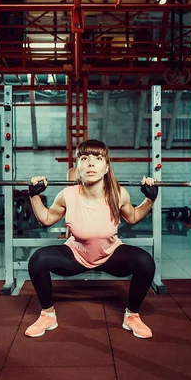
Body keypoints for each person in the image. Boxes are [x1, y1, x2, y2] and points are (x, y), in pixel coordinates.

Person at [26, 139, 158, 339]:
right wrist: (34, 196)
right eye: (84, 158)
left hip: (110, 254)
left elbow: (132, 216)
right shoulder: (67, 195)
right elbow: (46, 219)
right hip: (76, 255)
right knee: (38, 260)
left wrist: (150, 199)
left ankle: (132, 316)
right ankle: (48, 315)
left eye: (98, 158)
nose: (90, 163)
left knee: (145, 262)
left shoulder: (118, 194)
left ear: (106, 167)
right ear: (77, 166)